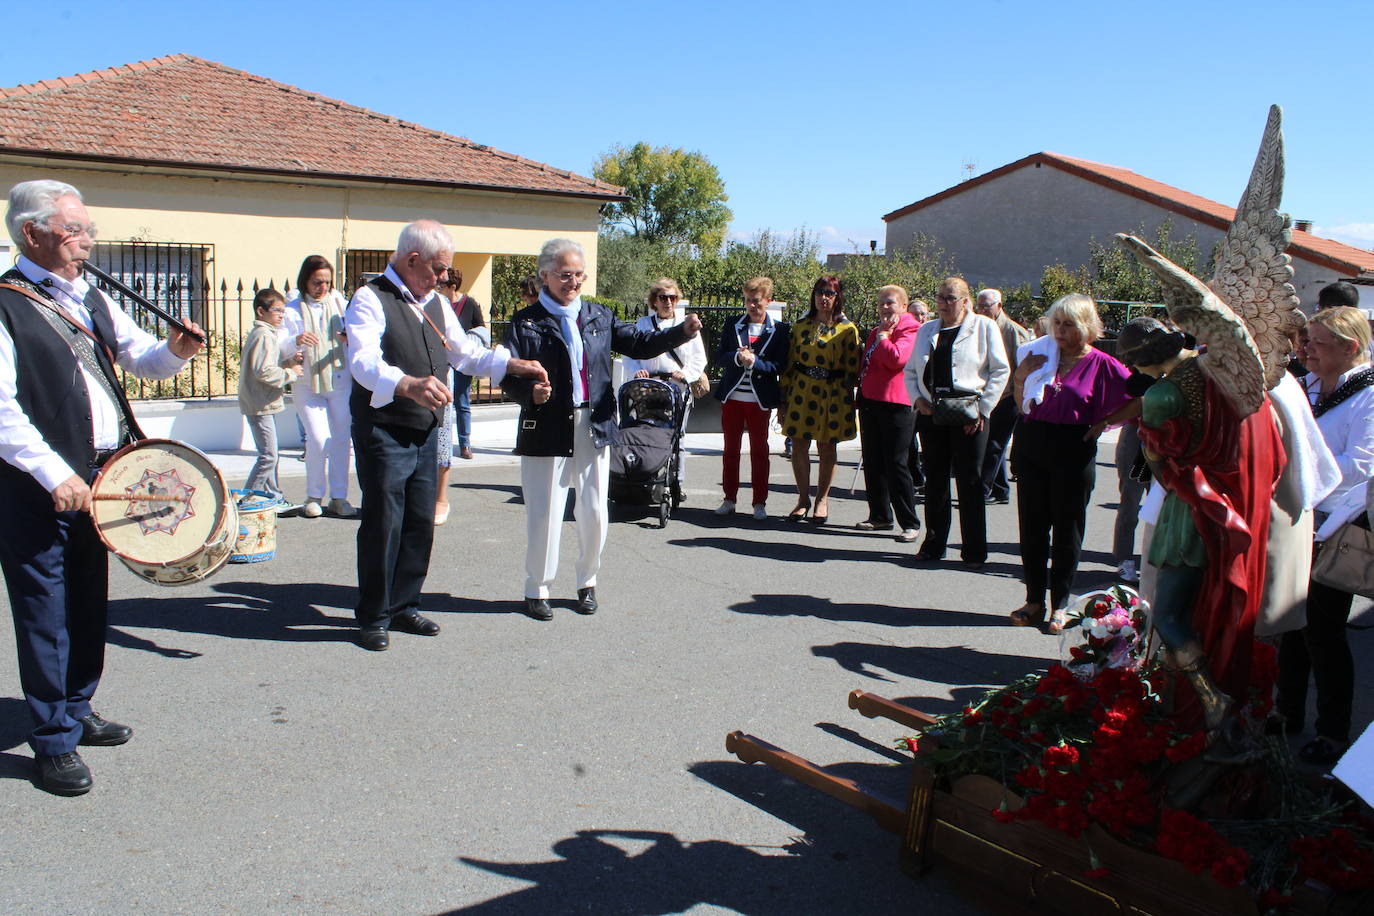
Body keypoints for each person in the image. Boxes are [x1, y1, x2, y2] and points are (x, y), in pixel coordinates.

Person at [0, 179, 205, 795]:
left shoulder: (90, 297)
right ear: (32, 233)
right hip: (38, 485)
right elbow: (1, 407)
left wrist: (175, 351)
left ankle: (78, 704)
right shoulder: (5, 304)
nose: (88, 240)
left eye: (88, 229)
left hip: (103, 475)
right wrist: (53, 472)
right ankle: (53, 740)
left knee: (89, 598)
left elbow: (140, 356)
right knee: (44, 610)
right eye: (75, 229)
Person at [345, 220, 547, 651]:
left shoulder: (435, 302)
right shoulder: (369, 299)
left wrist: (511, 365)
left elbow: (465, 354)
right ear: (413, 260)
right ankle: (374, 615)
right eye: (439, 269)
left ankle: (404, 605)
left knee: (420, 519)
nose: (443, 278)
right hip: (384, 428)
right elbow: (362, 362)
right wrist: (407, 384)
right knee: (384, 521)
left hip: (425, 428)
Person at [503, 238, 701, 621]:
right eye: (564, 275)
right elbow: (508, 372)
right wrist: (530, 392)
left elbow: (641, 343)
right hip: (546, 423)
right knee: (545, 510)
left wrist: (681, 333)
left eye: (579, 274)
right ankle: (538, 588)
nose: (573, 282)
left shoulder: (598, 316)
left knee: (594, 508)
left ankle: (587, 582)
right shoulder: (525, 322)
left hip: (594, 422)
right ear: (545, 275)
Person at [1278, 306, 1374, 765]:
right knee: (1290, 624)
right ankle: (1287, 712)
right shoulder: (1308, 385)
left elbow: (1361, 465)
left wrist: (1306, 489)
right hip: (1299, 517)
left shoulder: (1369, 394)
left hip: (1335, 527)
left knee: (1325, 632)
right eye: (1306, 340)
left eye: (1316, 342)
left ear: (1349, 348)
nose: (1305, 349)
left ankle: (1333, 732)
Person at [1008, 294, 1131, 630]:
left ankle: (1060, 605)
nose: (1060, 330)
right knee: (1032, 526)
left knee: (1067, 529)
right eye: (1056, 323)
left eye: (1069, 324)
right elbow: (1023, 404)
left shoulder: (1102, 363)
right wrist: (1020, 378)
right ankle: (1033, 601)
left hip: (1073, 448)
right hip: (1033, 441)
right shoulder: (1041, 354)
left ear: (1087, 327)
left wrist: (1105, 421)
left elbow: (1140, 397)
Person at [906, 277, 1009, 567]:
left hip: (970, 414)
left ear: (966, 301)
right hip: (932, 412)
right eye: (939, 297)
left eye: (950, 298)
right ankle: (934, 544)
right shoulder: (927, 330)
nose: (943, 303)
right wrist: (918, 399)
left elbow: (1000, 371)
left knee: (970, 482)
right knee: (936, 479)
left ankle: (974, 549)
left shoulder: (984, 327)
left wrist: (983, 409)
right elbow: (910, 372)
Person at [780, 276, 860, 523]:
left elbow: (853, 370)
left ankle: (822, 499)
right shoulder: (800, 326)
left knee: (826, 447)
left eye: (830, 293)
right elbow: (788, 365)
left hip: (833, 394)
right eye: (819, 293)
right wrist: (782, 400)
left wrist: (849, 403)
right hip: (802, 391)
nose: (823, 298)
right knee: (799, 444)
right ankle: (802, 499)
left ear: (838, 298)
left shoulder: (848, 329)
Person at [622, 277, 707, 500]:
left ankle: (676, 482)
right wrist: (636, 371)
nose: (668, 302)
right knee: (646, 430)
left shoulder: (686, 325)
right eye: (663, 297)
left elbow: (699, 359)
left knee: (677, 435)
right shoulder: (642, 324)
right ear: (654, 301)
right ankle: (646, 477)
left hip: (676, 387)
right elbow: (630, 353)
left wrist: (687, 374)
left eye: (672, 297)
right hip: (647, 387)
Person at [282, 254, 354, 518]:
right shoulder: (291, 309)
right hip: (307, 383)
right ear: (305, 281)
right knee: (318, 438)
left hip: (339, 380)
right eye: (316, 282)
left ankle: (339, 497)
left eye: (326, 282)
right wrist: (295, 341)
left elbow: (357, 333)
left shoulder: (340, 304)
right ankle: (313, 495)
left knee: (340, 440)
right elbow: (280, 344)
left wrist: (350, 337)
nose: (322, 287)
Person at [713, 276, 790, 519]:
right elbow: (719, 357)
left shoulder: (780, 331)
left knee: (759, 451)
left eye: (756, 301)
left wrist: (756, 362)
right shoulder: (733, 324)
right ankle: (729, 499)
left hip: (759, 401)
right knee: (730, 450)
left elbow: (780, 366)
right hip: (733, 397)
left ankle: (759, 502)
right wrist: (737, 358)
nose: (751, 306)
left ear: (768, 301)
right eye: (747, 300)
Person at [856, 285, 921, 541]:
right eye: (881, 302)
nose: (884, 307)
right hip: (871, 402)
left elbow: (896, 359)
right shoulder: (876, 331)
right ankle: (880, 515)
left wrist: (884, 337)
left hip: (897, 405)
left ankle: (910, 521)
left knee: (896, 463)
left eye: (890, 303)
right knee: (873, 461)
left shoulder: (910, 328)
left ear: (903, 306)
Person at [434, 268, 488, 525]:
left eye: (442, 281)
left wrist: (505, 365)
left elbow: (477, 335)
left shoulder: (466, 304)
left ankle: (464, 443)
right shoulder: (427, 302)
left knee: (462, 404)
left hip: (456, 364)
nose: (438, 284)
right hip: (427, 375)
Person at [239, 288, 302, 499]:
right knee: (269, 456)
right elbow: (263, 371)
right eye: (277, 310)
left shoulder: (267, 334)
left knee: (270, 455)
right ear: (260, 311)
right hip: (260, 403)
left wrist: (289, 363)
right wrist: (290, 373)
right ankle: (246, 499)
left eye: (283, 311)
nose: (282, 315)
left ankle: (273, 496)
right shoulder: (264, 335)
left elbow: (267, 363)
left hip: (263, 401)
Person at [973, 288, 1031, 504]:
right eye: (979, 305)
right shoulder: (980, 327)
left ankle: (982, 491)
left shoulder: (1013, 331)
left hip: (1008, 397)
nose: (982, 309)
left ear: (999, 305)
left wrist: (1019, 395)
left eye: (987, 305)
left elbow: (1022, 368)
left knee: (994, 445)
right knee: (991, 443)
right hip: (988, 395)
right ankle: (1000, 490)